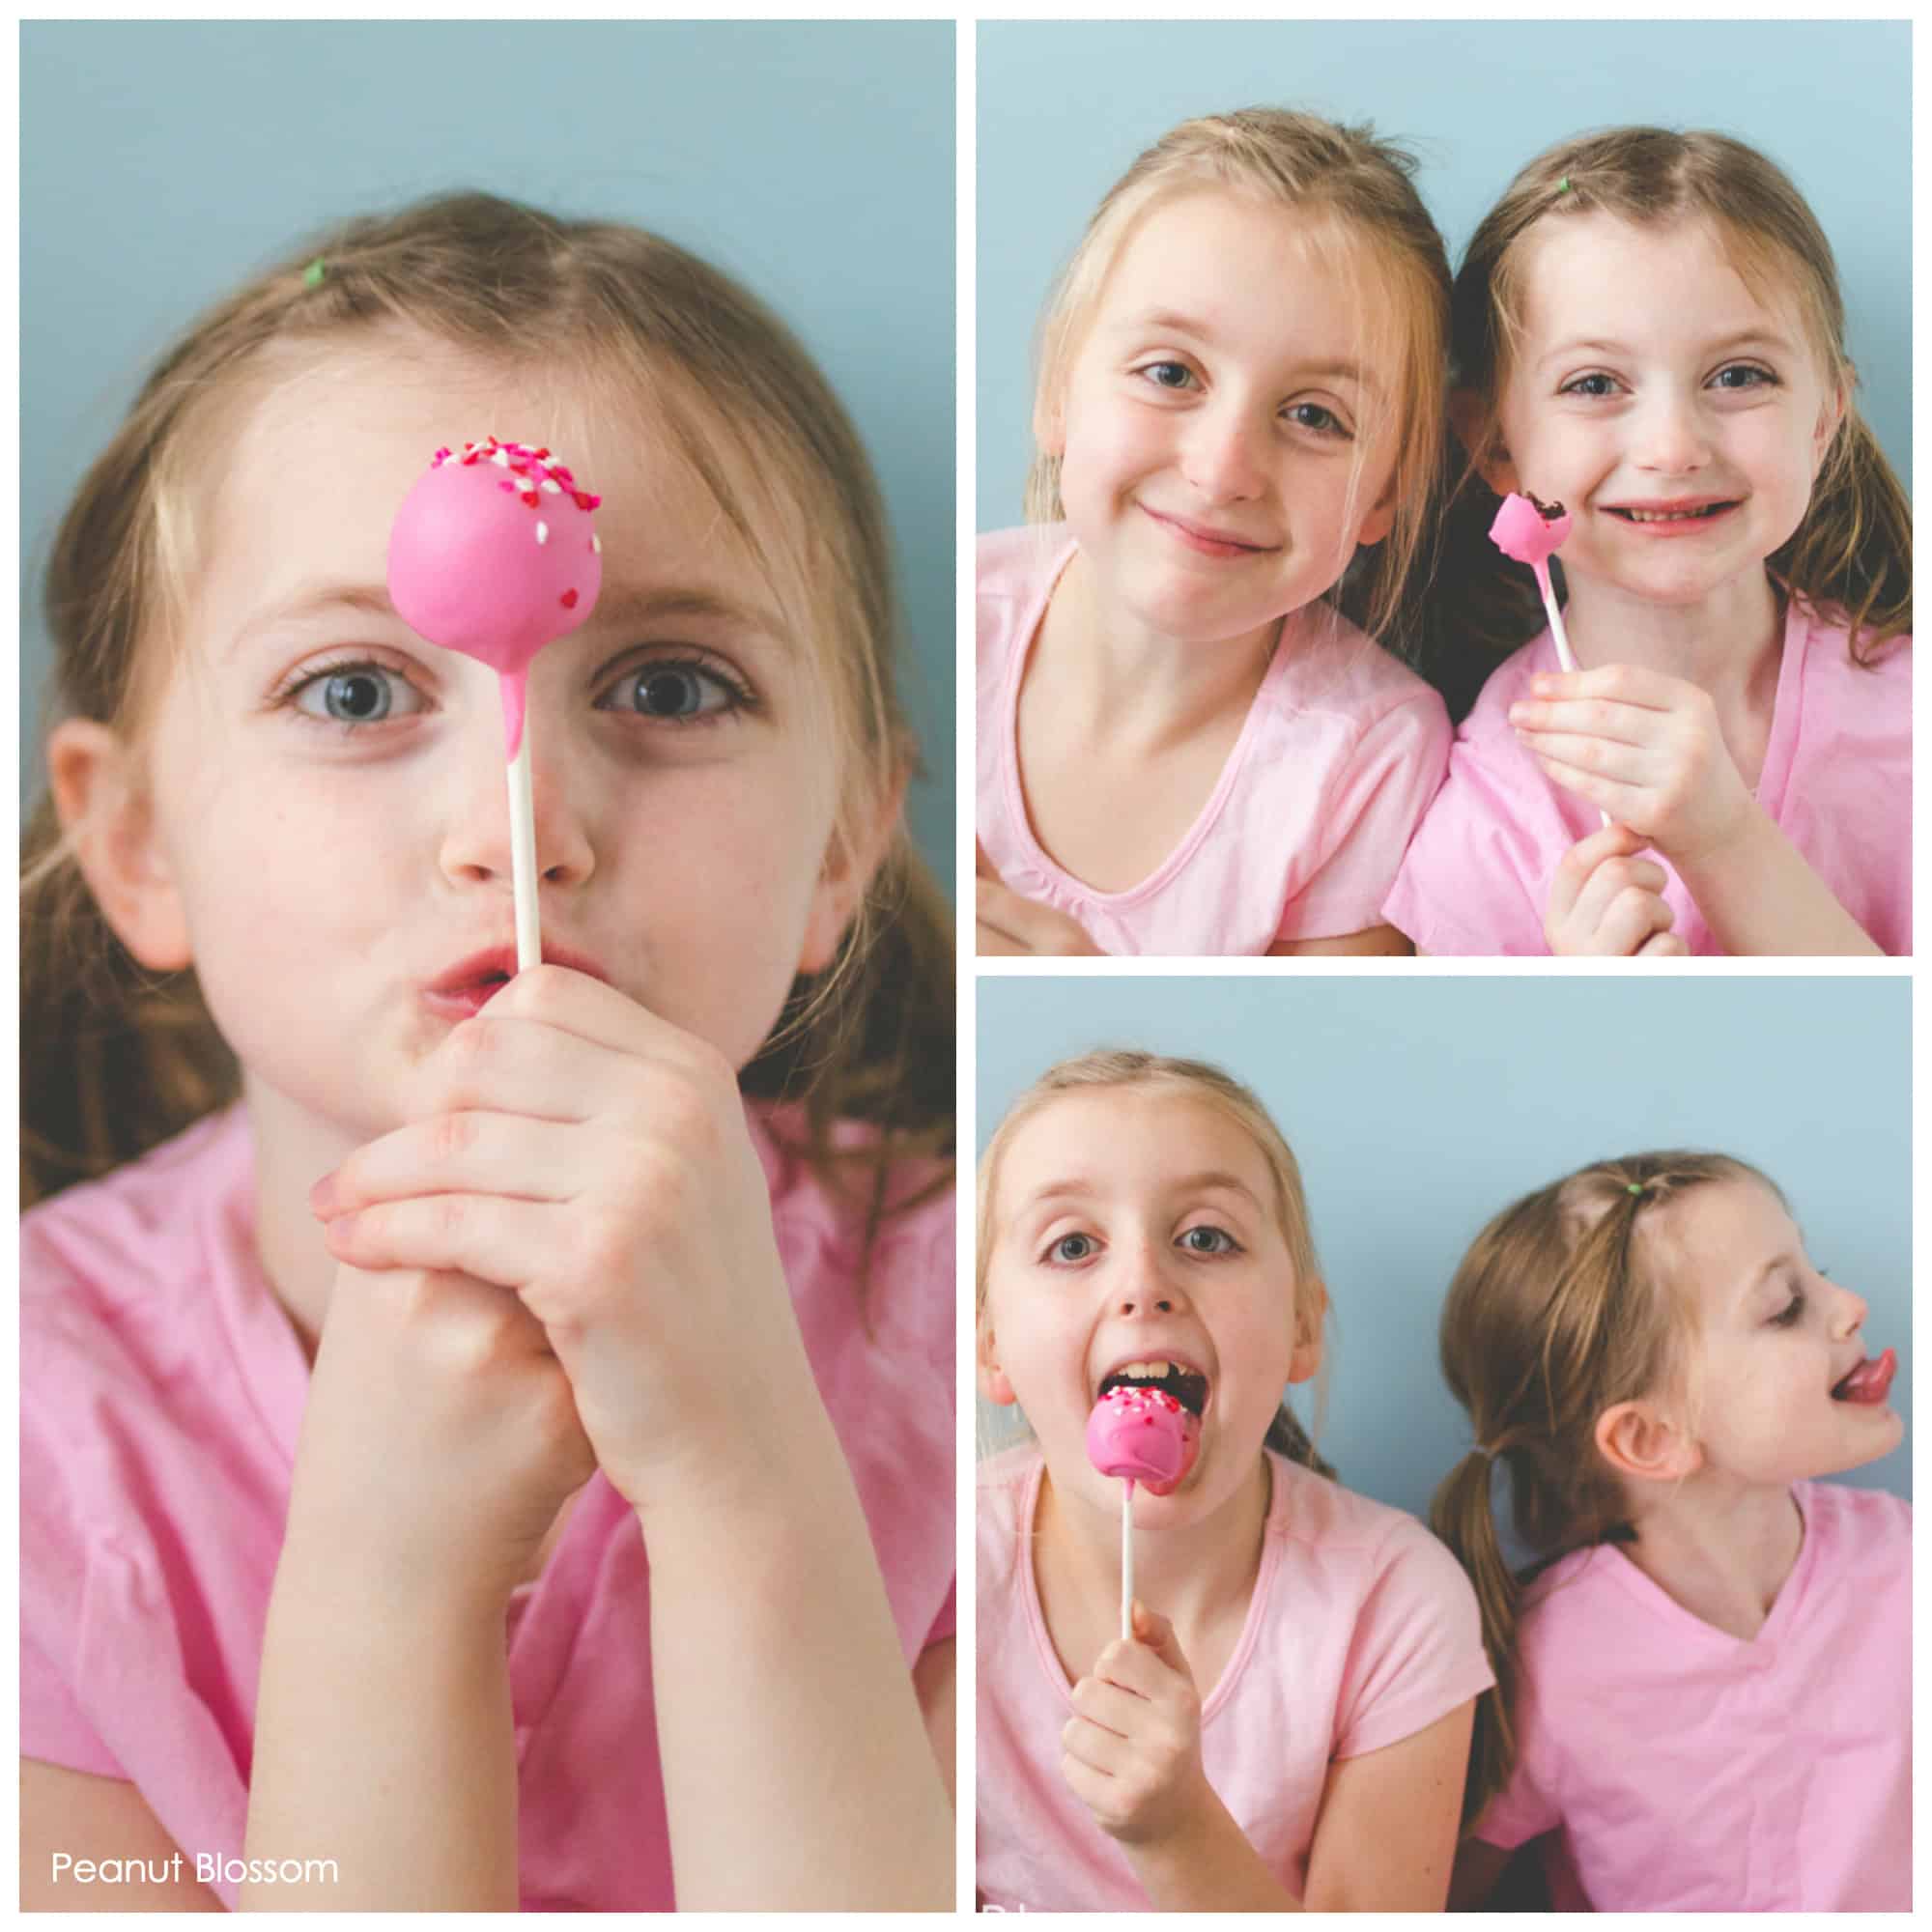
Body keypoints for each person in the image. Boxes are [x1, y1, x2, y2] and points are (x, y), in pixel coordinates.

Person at [19, 191, 955, 1911]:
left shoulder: (986, 1337)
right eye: (356, 695)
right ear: (137, 840)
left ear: (845, 843)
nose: (517, 829)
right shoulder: (33, 1433)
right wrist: (390, 1580)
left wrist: (743, 1468)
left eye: (671, 689)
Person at [976, 1050, 1492, 1909]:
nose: (1144, 1284)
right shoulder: (944, 1574)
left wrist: (1177, 1831)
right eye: (1072, 1245)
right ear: (991, 1345)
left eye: (1206, 1238)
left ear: (1299, 1327)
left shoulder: (1395, 1601)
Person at [1387, 128, 1912, 955]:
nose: (1673, 447)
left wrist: (1724, 840)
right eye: (1594, 384)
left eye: (1739, 375)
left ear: (1824, 418)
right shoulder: (1485, 816)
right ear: (1493, 443)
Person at [976, 108, 1454, 958]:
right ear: (1059, 390)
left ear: (1389, 491)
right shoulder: (944, 630)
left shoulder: (1371, 757)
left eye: (1315, 416)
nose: (1223, 468)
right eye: (1171, 373)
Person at [1431, 1152, 1909, 1908]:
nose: (1849, 1304)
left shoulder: (1906, 1563)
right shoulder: (1548, 1670)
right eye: (1786, 1305)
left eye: (1818, 1271)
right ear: (1650, 1440)